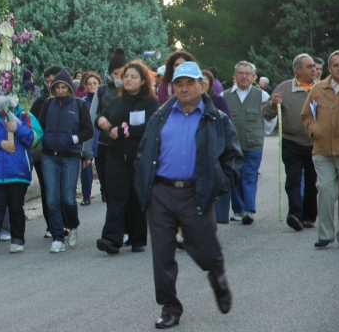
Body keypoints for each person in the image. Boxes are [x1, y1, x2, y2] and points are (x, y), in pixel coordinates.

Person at [135, 61, 243, 329]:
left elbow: (233, 157)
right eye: (179, 84)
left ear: (201, 85)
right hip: (161, 193)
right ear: (172, 87)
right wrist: (144, 185)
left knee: (205, 250)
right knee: (162, 255)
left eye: (190, 83)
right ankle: (170, 307)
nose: (184, 88)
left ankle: (217, 279)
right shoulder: (160, 116)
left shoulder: (216, 118)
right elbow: (144, 153)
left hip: (197, 193)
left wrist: (218, 185)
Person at [95, 62, 159, 254]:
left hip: (137, 157)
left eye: (133, 76)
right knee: (116, 197)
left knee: (136, 197)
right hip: (115, 156)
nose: (128, 79)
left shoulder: (150, 103)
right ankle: (111, 239)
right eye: (126, 76)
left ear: (142, 81)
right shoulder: (117, 101)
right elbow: (102, 118)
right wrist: (102, 121)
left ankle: (137, 238)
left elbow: (149, 127)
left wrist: (123, 131)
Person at [0, 96, 43, 254]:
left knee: (16, 207)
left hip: (18, 170)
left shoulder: (25, 116)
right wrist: (0, 143)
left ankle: (18, 239)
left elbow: (35, 138)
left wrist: (18, 128)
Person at [38, 69, 94, 253]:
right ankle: (57, 238)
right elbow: (40, 128)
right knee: (52, 199)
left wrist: (75, 140)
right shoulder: (48, 104)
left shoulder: (79, 105)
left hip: (70, 157)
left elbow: (88, 130)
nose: (61, 90)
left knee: (68, 200)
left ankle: (73, 225)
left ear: (70, 88)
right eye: (57, 87)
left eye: (64, 87)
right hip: (49, 157)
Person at [262, 54, 318, 231]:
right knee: (293, 179)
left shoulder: (321, 88)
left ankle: (310, 216)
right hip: (291, 141)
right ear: (298, 69)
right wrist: (273, 103)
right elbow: (267, 113)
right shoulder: (284, 88)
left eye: (314, 67)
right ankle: (295, 214)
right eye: (309, 67)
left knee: (312, 181)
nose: (313, 70)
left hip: (315, 142)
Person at [223, 61, 276, 225]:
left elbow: (270, 118)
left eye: (248, 74)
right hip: (231, 145)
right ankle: (238, 210)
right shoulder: (224, 96)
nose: (244, 76)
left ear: (253, 77)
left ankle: (248, 209)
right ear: (235, 75)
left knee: (249, 174)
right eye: (240, 73)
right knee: (234, 177)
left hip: (253, 144)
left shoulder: (262, 95)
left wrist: (263, 133)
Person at [301, 50, 339, 249]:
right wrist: (314, 130)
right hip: (322, 150)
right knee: (327, 190)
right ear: (329, 68)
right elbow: (306, 115)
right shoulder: (318, 89)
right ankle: (325, 234)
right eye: (336, 65)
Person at [31, 65, 67, 238]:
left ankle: (65, 222)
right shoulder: (40, 102)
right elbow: (32, 125)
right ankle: (51, 225)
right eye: (47, 82)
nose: (50, 84)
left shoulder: (72, 102)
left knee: (63, 190)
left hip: (66, 153)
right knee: (47, 189)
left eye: (53, 81)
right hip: (43, 153)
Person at [89, 48, 128, 202]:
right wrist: (88, 150)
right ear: (110, 73)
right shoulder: (101, 91)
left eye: (122, 73)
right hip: (104, 145)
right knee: (107, 189)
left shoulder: (131, 92)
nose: (118, 77)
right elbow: (92, 118)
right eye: (115, 73)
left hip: (125, 145)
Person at [202, 69, 233, 224]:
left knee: (220, 179)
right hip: (201, 147)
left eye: (205, 82)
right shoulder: (193, 102)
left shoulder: (218, 101)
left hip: (217, 144)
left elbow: (227, 121)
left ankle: (221, 216)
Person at [80, 71, 102, 206]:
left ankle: (104, 191)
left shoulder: (103, 100)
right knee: (86, 170)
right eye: (89, 84)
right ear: (85, 86)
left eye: (95, 83)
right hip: (87, 140)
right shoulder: (83, 103)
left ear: (99, 84)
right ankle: (86, 196)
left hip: (100, 139)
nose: (92, 86)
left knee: (101, 168)